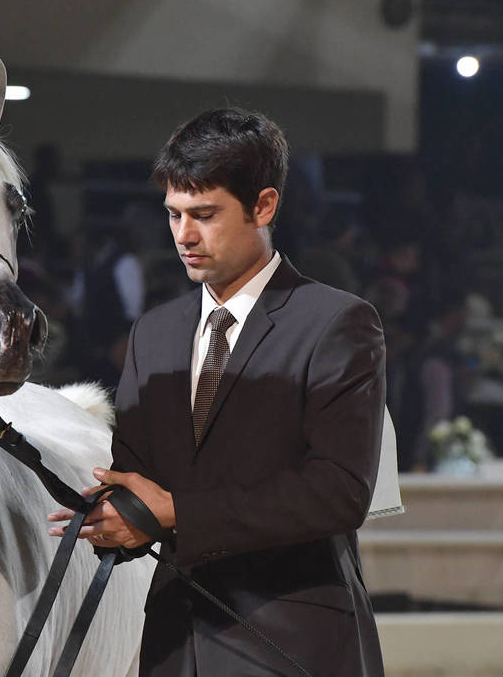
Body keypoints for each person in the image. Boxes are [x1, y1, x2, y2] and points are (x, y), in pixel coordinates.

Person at [48, 108, 387, 676]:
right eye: (174, 214)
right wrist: (112, 518)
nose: (184, 235)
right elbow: (138, 481)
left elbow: (338, 493)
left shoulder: (338, 323)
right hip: (172, 646)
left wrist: (176, 511)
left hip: (292, 642)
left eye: (204, 214)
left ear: (264, 206)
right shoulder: (152, 333)